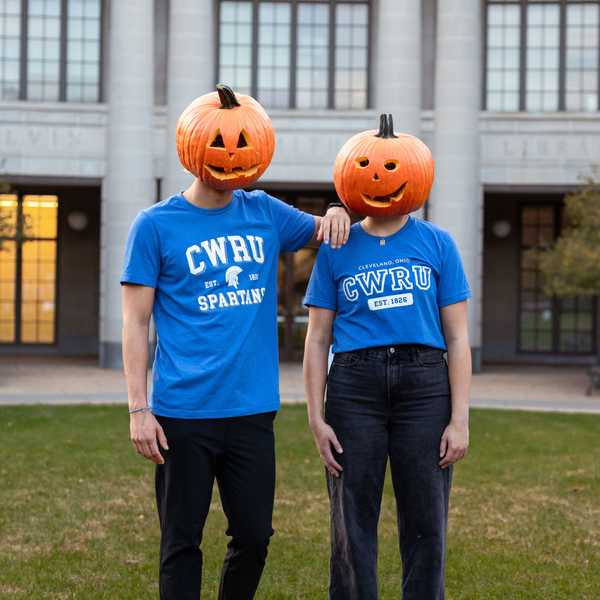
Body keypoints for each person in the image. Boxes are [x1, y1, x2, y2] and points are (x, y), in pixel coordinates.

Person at [121, 85, 350, 600]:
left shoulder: (264, 211)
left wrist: (337, 208)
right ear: (193, 145)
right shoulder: (154, 226)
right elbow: (135, 323)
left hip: (251, 410)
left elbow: (325, 231)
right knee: (181, 540)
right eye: (221, 143)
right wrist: (139, 408)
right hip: (182, 411)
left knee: (254, 535)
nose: (230, 155)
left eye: (243, 144)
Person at [303, 129, 471, 599]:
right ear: (350, 180)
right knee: (351, 517)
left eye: (392, 169)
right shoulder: (337, 248)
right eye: (369, 169)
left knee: (426, 519)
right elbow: (316, 340)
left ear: (416, 177)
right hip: (354, 386)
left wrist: (459, 420)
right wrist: (316, 417)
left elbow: (457, 338)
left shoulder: (438, 244)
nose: (379, 178)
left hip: (425, 385)